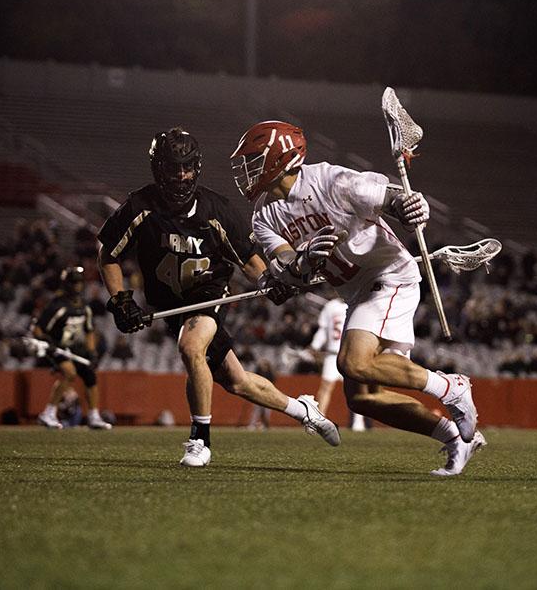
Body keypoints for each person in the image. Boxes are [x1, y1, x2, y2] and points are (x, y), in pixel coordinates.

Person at [231, 120, 483, 476]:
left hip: (389, 276)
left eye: (256, 159)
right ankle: (457, 438)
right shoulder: (263, 215)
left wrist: (410, 207)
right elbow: (286, 262)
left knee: (352, 362)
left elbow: (390, 197)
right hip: (358, 291)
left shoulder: (331, 181)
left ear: (282, 158)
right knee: (364, 398)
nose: (248, 169)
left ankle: (451, 387)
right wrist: (301, 262)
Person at [97, 127, 340, 467]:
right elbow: (108, 254)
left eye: (187, 167)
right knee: (237, 382)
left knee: (191, 347)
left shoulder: (216, 209)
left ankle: (200, 440)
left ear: (197, 167)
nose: (181, 176)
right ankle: (304, 410)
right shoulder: (140, 206)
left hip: (208, 293)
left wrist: (272, 281)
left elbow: (250, 259)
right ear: (158, 169)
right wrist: (120, 299)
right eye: (173, 168)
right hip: (169, 304)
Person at [32, 266, 112, 430]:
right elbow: (38, 328)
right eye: (74, 283)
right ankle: (48, 413)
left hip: (75, 347)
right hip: (57, 347)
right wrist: (46, 340)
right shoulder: (56, 306)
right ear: (66, 284)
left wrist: (91, 352)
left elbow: (89, 332)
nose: (77, 286)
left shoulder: (84, 306)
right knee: (69, 373)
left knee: (90, 376)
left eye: (79, 283)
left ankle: (93, 416)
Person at [310, 296, 366, 431]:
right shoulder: (332, 306)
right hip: (333, 353)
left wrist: (315, 345)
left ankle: (358, 422)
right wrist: (315, 345)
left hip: (350, 353)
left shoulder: (354, 302)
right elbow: (324, 329)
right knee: (326, 387)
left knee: (357, 389)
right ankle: (319, 419)